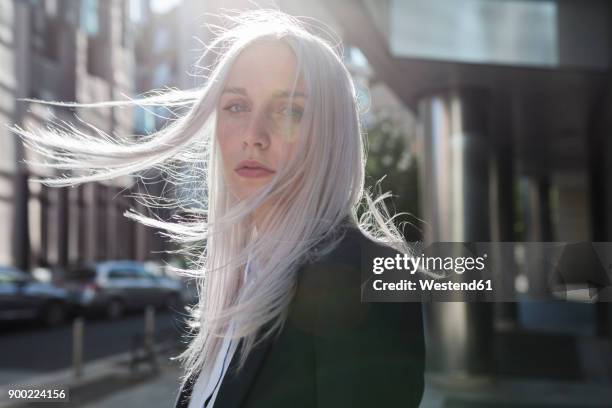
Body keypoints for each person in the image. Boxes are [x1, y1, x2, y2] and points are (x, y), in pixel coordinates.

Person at [9, 9, 425, 408]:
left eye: (289, 110)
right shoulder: (241, 275)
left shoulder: (364, 271)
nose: (253, 135)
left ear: (331, 131)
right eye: (237, 107)